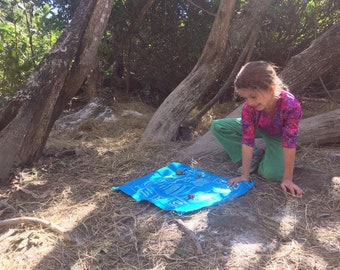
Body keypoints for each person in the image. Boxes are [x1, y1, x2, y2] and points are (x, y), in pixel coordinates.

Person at [210, 61, 304, 197]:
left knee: (271, 174)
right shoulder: (249, 108)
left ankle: (267, 157)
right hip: (258, 127)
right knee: (218, 125)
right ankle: (256, 155)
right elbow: (247, 140)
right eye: (245, 97)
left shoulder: (290, 105)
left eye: (253, 96)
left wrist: (287, 179)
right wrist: (244, 176)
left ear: (271, 88)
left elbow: (289, 143)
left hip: (278, 136)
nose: (250, 102)